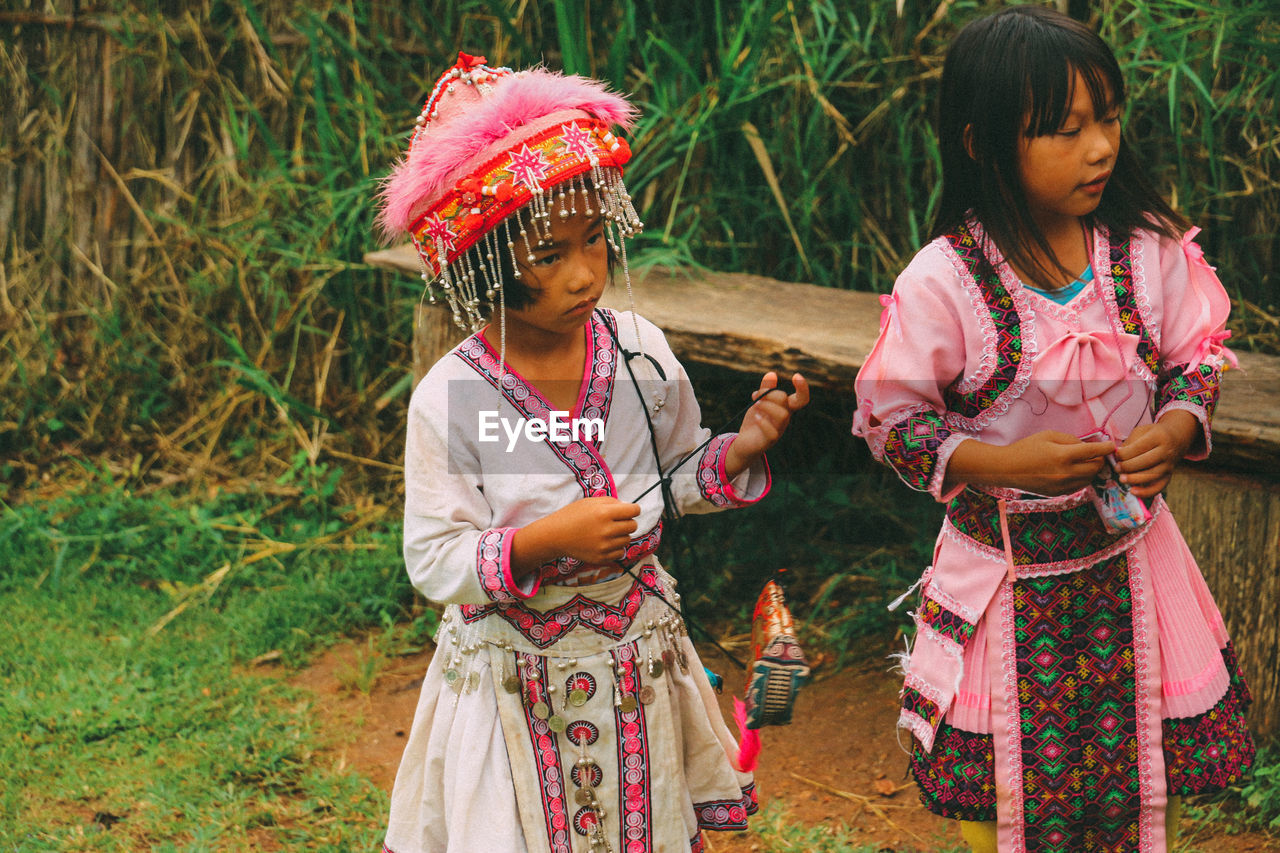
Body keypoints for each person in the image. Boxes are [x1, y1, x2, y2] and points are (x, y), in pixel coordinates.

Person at [376, 53, 809, 853]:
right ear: (485, 263)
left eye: (595, 240)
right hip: (512, 678)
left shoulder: (639, 351)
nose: (586, 272)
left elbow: (676, 477)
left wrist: (743, 445)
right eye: (550, 254)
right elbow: (433, 555)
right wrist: (548, 540)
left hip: (635, 658)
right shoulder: (450, 396)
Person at [851, 7, 1254, 852]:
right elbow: (892, 419)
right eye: (1063, 130)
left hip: (1136, 567)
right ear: (981, 142)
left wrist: (1179, 424)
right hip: (1001, 586)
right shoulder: (946, 283)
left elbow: (1199, 358)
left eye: (1107, 117)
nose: (1101, 146)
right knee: (999, 801)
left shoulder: (1143, 253)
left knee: (1150, 777)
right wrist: (1000, 461)